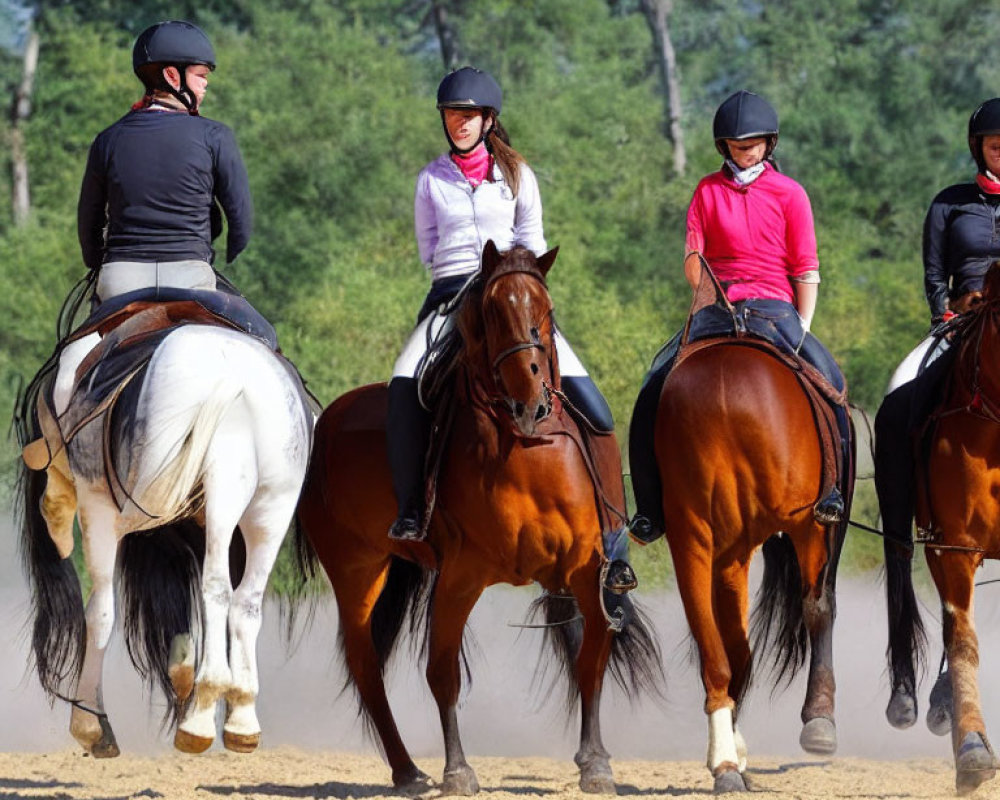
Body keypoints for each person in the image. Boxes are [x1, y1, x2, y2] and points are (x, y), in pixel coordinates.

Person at [386, 66, 635, 592]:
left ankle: (615, 540)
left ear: (488, 119)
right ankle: (412, 511)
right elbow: (429, 250)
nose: (459, 123)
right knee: (403, 383)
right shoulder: (430, 179)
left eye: (469, 115)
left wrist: (508, 284)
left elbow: (533, 239)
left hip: (513, 297)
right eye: (453, 115)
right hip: (452, 296)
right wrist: (466, 281)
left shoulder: (519, 175)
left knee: (598, 410)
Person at [628, 89, 849, 542]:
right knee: (655, 380)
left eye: (752, 143)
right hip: (717, 305)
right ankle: (650, 508)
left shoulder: (790, 194)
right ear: (722, 146)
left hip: (774, 306)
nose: (744, 151)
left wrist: (803, 327)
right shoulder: (707, 190)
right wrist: (708, 292)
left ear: (770, 143)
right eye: (735, 144)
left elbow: (805, 265)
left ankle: (831, 489)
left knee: (832, 383)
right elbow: (694, 254)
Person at [54, 19, 273, 414]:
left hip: (120, 282)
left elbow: (88, 225)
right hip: (191, 279)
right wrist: (223, 251)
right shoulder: (214, 136)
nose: (206, 85)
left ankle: (59, 448)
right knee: (267, 348)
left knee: (65, 376)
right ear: (172, 75)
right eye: (201, 76)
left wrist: (96, 265)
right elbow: (241, 222)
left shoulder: (108, 140)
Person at [874, 97, 1000, 547]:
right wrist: (943, 312)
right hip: (963, 324)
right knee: (901, 393)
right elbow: (933, 271)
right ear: (978, 147)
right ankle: (901, 515)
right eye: (994, 143)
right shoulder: (949, 204)